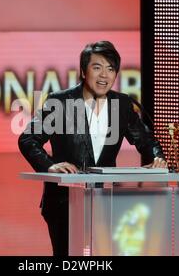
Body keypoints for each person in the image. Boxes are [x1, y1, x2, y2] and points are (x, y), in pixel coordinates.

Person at [18, 40, 167, 256]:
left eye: (110, 69)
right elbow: (28, 139)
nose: (104, 75)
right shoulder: (61, 102)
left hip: (106, 201)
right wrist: (50, 166)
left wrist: (157, 158)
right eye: (97, 67)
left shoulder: (122, 104)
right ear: (83, 71)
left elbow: (146, 141)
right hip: (64, 202)